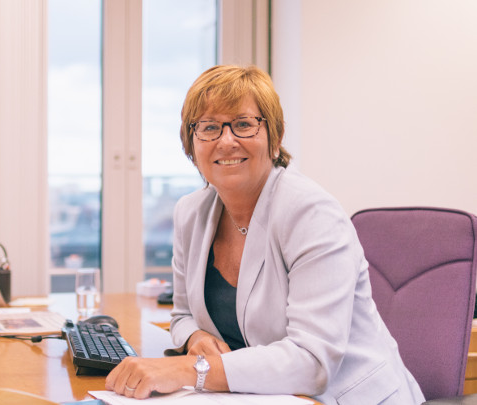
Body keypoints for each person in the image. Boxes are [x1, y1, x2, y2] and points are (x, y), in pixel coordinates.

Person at [105, 65, 425, 404]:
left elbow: (311, 361)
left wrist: (192, 370)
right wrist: (195, 337)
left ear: (275, 136)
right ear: (191, 143)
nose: (226, 141)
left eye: (243, 124)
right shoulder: (190, 213)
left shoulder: (311, 213)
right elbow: (183, 314)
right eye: (209, 127)